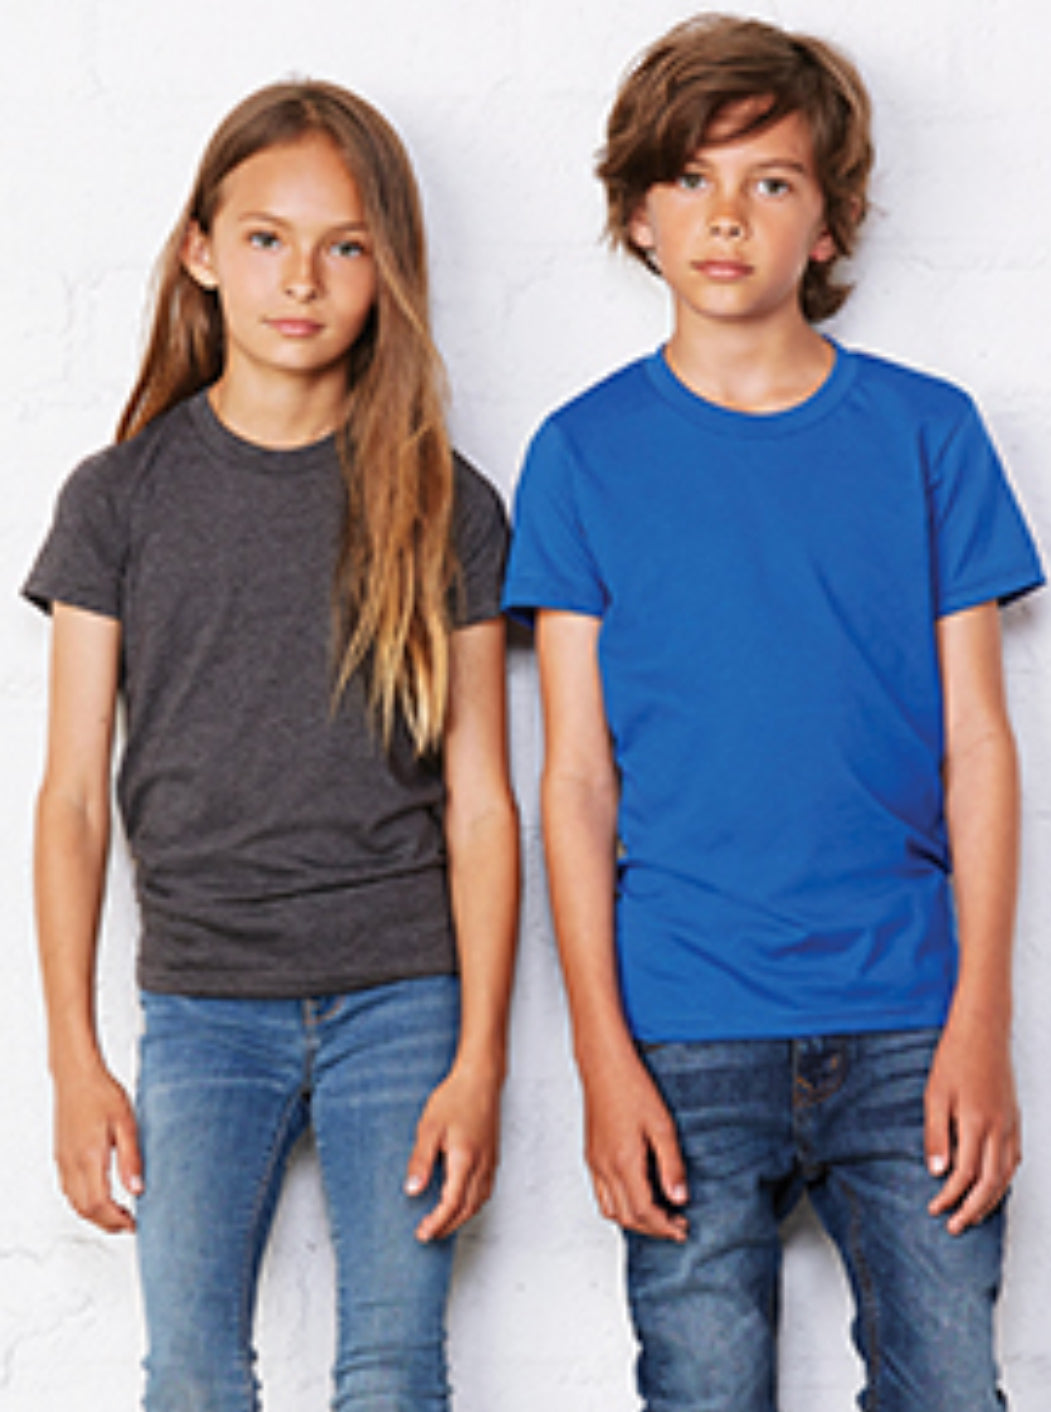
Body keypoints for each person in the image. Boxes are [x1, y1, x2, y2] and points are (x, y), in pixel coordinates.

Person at [503, 14, 1043, 1411]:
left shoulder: (929, 435)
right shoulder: (580, 454)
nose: (728, 216)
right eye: (690, 179)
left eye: (772, 181)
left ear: (830, 218)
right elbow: (575, 784)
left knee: (952, 1390)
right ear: (638, 214)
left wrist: (983, 1023)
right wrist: (601, 1056)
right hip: (684, 1024)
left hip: (909, 1017)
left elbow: (980, 744)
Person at [25, 80, 518, 1412]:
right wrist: (74, 1058)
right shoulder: (119, 499)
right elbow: (71, 801)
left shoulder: (447, 502)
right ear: (200, 251)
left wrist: (480, 1059)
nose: (302, 279)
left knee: (394, 1370)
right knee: (190, 1372)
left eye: (344, 245)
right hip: (200, 1009)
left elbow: (482, 804)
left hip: (403, 999)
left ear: (387, 268)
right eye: (265, 238)